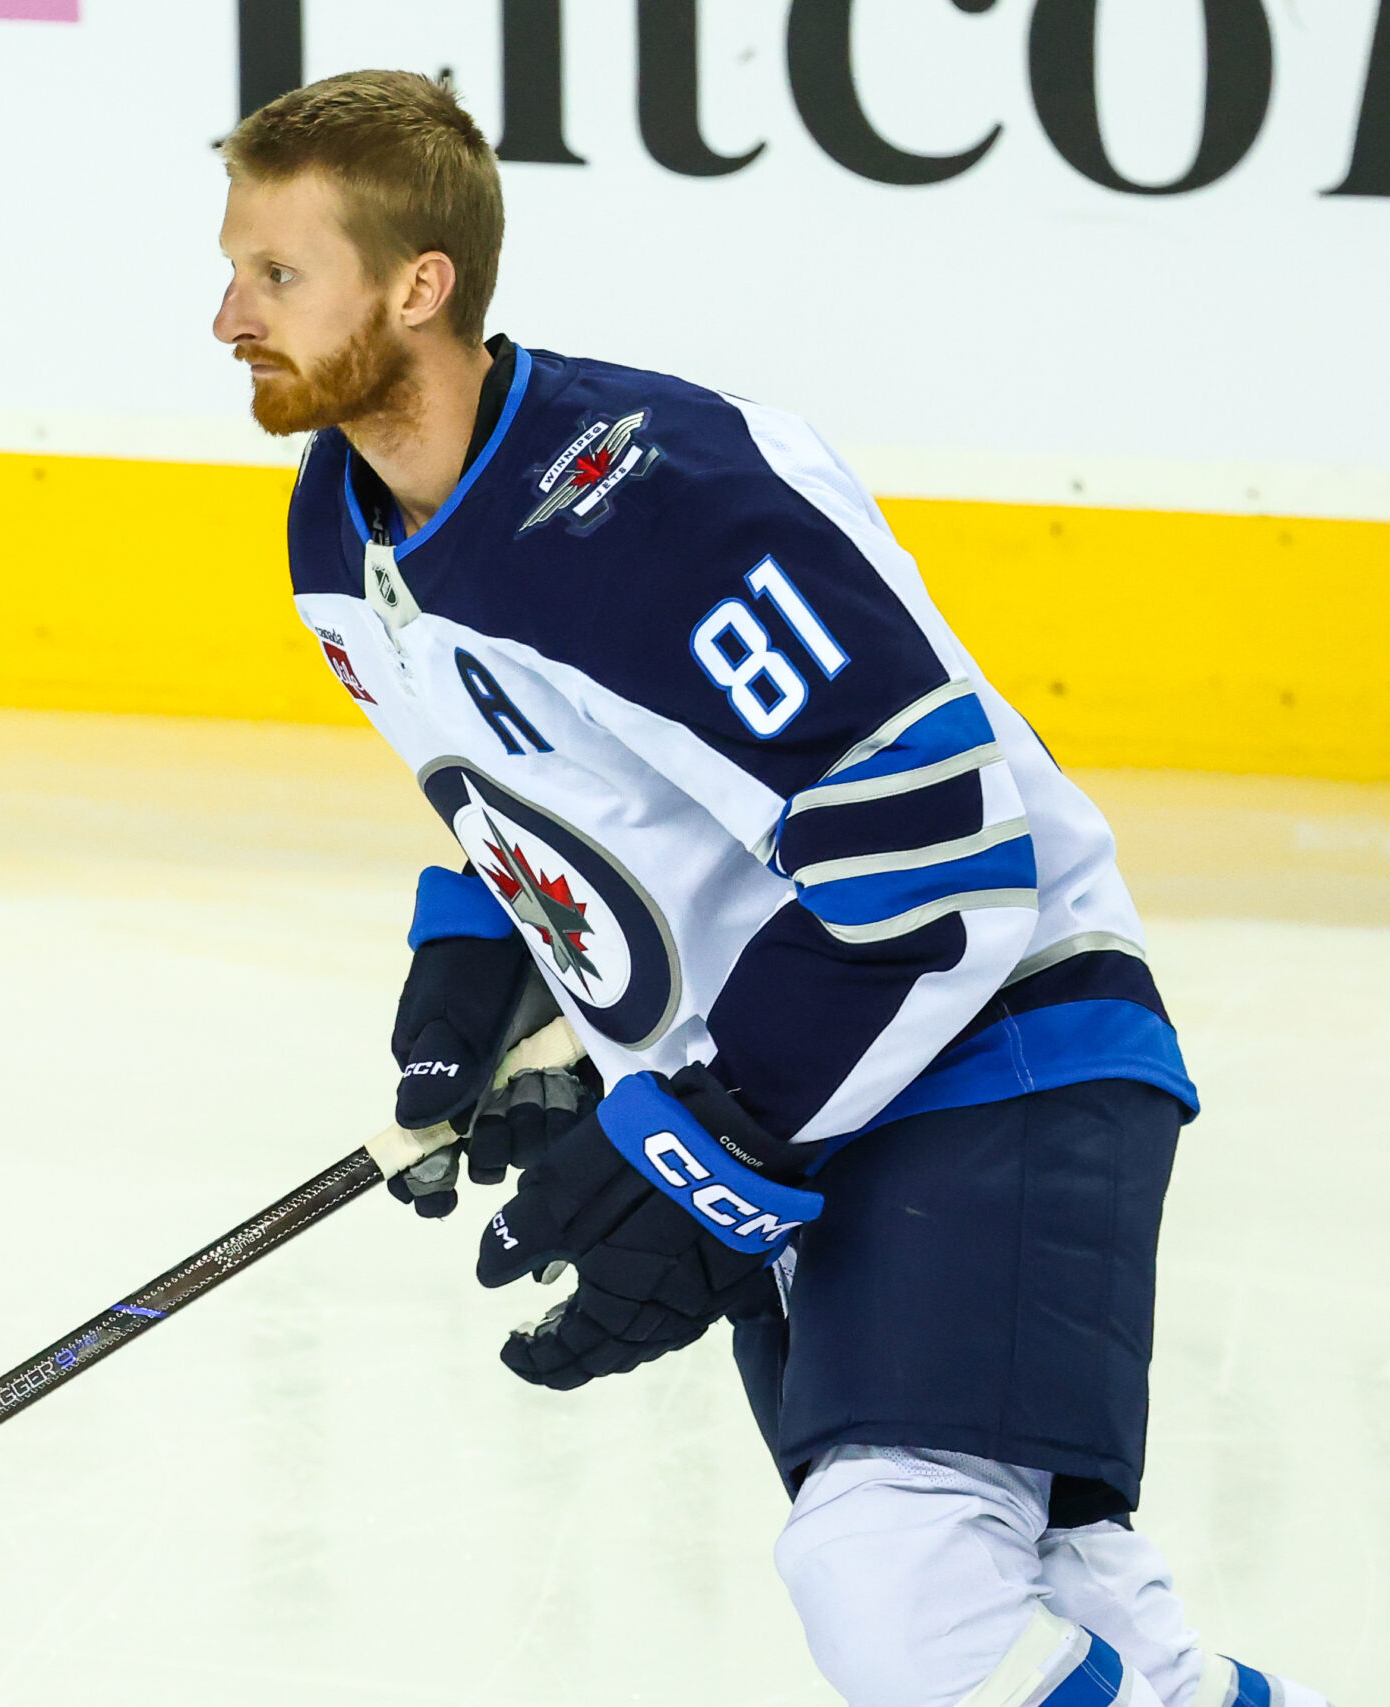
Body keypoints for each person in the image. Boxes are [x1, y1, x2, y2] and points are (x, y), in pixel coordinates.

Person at [211, 70, 1329, 1707]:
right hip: (811, 1080)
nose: (227, 314)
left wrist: (700, 1141)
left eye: (276, 275)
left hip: (988, 1048)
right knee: (1046, 1603)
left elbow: (939, 863)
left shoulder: (662, 508)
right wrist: (476, 983)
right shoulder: (341, 530)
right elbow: (550, 804)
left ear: (417, 287)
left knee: (900, 1592)